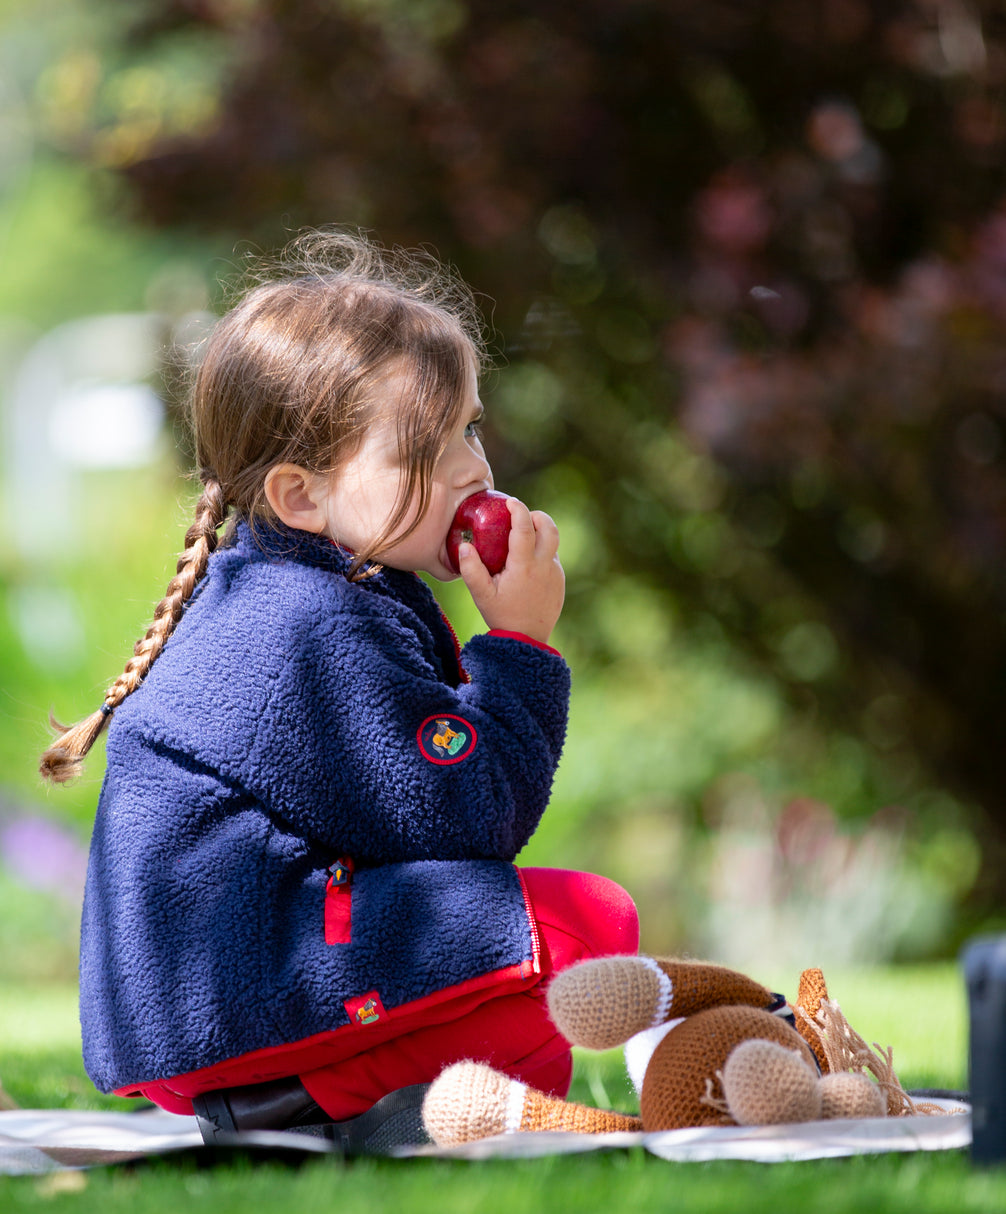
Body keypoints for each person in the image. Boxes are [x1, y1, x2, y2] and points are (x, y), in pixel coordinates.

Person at [41, 229, 639, 1140]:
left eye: (470, 428)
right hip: (237, 1000)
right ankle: (303, 1103)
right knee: (587, 927)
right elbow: (467, 817)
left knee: (536, 1035)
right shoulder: (308, 626)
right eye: (426, 446)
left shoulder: (292, 590)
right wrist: (519, 645)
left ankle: (345, 1099)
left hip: (211, 1008)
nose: (474, 469)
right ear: (301, 496)